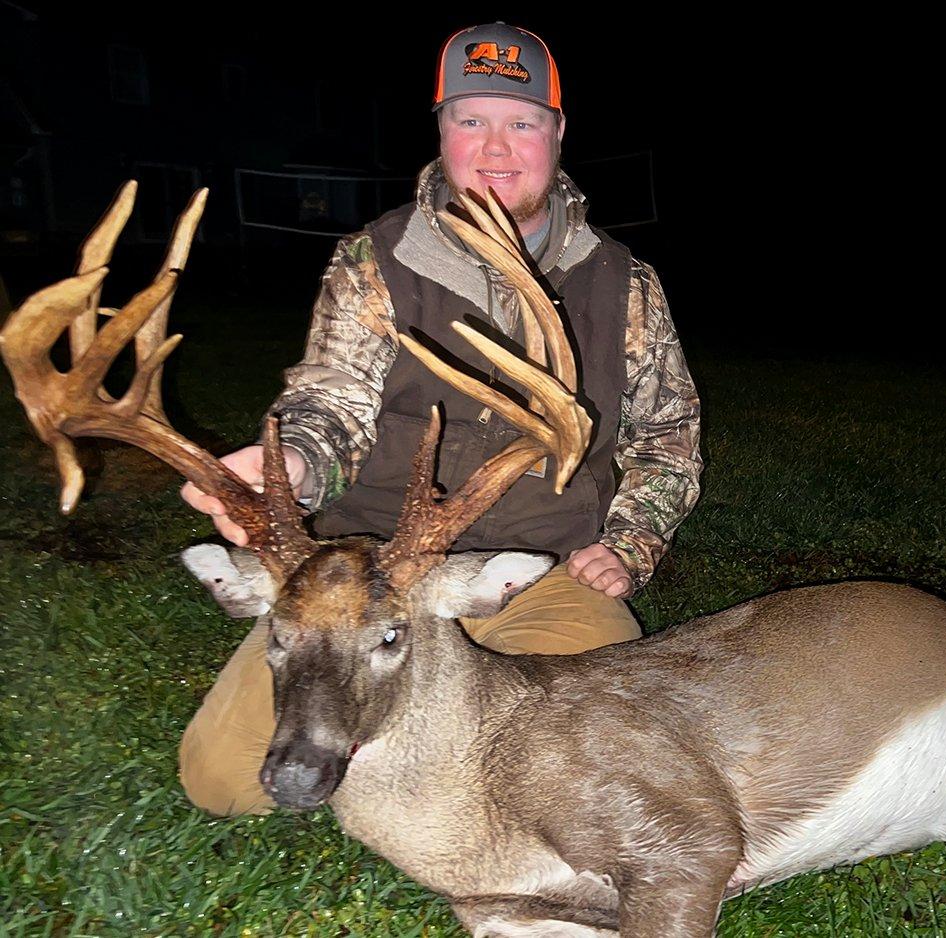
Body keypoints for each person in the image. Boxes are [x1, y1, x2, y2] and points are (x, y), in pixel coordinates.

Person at [177, 22, 701, 815]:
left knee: (581, 758)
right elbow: (333, 403)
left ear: (558, 132)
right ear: (441, 129)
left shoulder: (623, 284)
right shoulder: (375, 261)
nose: (496, 148)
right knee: (220, 780)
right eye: (471, 119)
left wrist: (629, 544)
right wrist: (293, 467)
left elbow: (668, 442)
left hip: (536, 573)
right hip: (364, 575)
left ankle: (413, 749)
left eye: (521, 122)